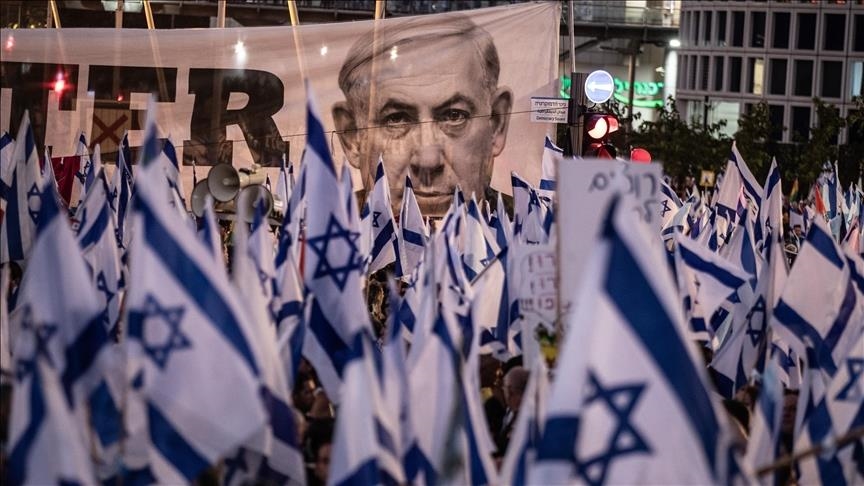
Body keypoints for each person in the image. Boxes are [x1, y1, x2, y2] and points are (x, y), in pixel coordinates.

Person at [332, 13, 513, 218]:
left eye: (454, 116)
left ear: (496, 123)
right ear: (353, 138)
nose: (428, 161)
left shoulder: (532, 225)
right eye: (396, 119)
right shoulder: (323, 230)